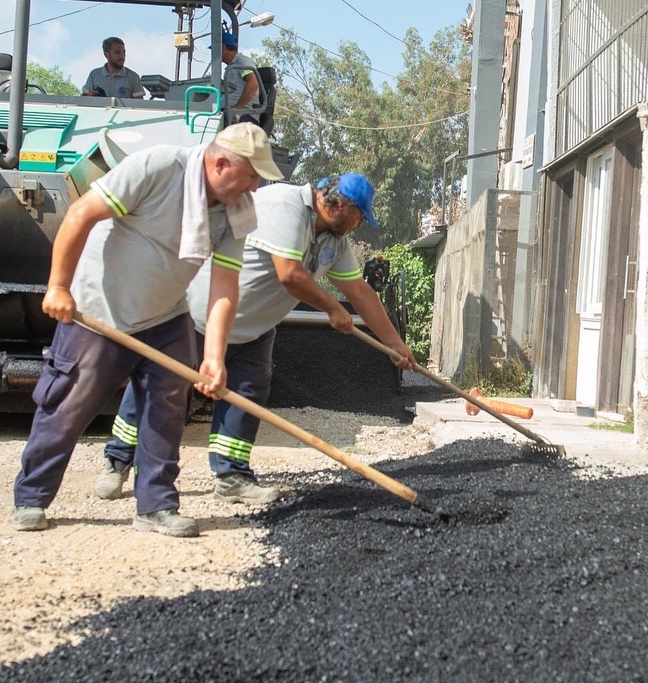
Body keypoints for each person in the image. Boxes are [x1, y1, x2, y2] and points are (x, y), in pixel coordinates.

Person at [11, 122, 283, 537]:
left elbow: (225, 285)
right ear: (222, 162)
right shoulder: (157, 167)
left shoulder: (236, 211)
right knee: (68, 405)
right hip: (102, 311)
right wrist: (58, 286)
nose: (255, 186)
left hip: (166, 316)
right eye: (251, 175)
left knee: (168, 408)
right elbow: (81, 214)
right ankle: (32, 496)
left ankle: (155, 505)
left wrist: (213, 356)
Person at [95, 173, 416, 505]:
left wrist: (393, 344)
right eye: (361, 216)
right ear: (344, 207)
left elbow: (360, 291)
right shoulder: (286, 204)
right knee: (160, 388)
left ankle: (231, 477)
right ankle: (117, 461)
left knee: (245, 397)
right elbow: (289, 273)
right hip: (194, 314)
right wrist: (333, 309)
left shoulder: (335, 242)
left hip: (255, 329)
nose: (359, 225)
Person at [219, 30, 261, 124]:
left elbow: (253, 83)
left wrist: (238, 107)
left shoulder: (242, 61)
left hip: (243, 115)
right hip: (228, 113)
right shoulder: (230, 67)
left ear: (223, 47)